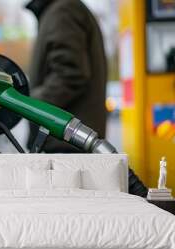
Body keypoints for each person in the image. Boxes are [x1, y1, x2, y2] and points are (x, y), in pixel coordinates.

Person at [26, 0, 107, 153]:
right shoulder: (59, 10)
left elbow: (70, 74)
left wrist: (29, 104)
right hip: (67, 139)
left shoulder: (63, 11)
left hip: (65, 141)